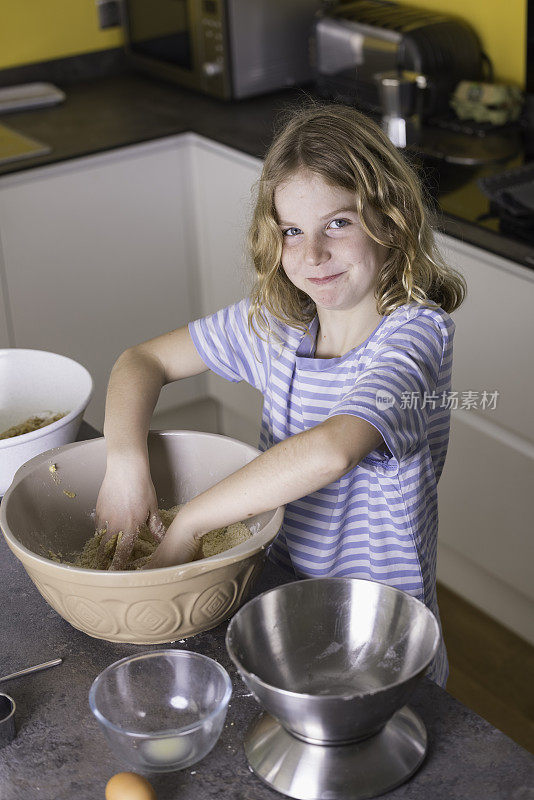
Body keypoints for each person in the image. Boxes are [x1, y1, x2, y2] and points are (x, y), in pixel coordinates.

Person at [95, 101, 466, 687]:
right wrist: (124, 466)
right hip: (281, 607)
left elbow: (333, 448)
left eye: (338, 223)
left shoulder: (416, 335)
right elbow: (141, 361)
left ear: (392, 221)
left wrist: (189, 522)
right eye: (293, 231)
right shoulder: (280, 324)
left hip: (380, 638)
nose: (312, 254)